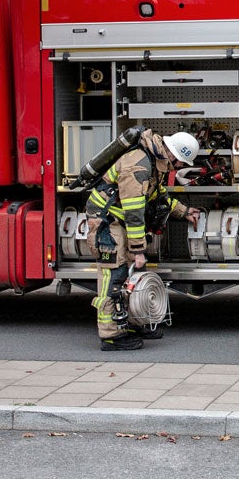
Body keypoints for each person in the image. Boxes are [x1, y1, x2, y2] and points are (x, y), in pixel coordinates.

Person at [87, 128, 201, 351]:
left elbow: (157, 196)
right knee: (114, 274)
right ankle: (111, 335)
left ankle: (126, 322)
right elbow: (134, 211)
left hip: (120, 220)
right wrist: (138, 250)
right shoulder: (139, 165)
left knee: (130, 274)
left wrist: (183, 211)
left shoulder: (153, 162)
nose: (179, 168)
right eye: (180, 163)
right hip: (108, 222)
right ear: (173, 155)